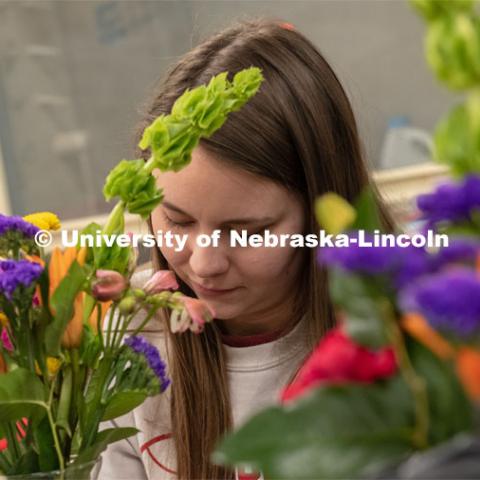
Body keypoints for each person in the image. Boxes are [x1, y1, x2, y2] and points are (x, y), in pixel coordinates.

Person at [98, 17, 394, 480]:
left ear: (322, 211)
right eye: (176, 220)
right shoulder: (128, 332)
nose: (204, 264)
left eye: (248, 232)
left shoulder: (410, 340)